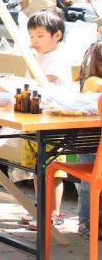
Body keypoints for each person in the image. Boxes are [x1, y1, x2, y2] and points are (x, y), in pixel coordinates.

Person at [21, 8, 71, 229]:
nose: (35, 41)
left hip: (53, 121)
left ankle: (54, 213)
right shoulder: (38, 56)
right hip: (36, 119)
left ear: (57, 35)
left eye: (40, 36)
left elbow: (44, 83)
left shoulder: (58, 57)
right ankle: (41, 210)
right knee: (36, 169)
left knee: (52, 171)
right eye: (32, 36)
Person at [77, 42, 102, 239]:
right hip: (89, 142)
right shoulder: (93, 81)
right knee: (88, 187)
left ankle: (96, 222)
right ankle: (85, 222)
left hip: (95, 143)